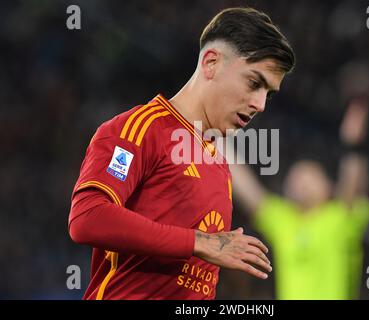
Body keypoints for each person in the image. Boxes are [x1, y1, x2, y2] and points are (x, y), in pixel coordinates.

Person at [68, 7, 295, 300]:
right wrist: (200, 242)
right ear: (211, 63)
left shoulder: (216, 162)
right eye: (254, 83)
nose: (261, 104)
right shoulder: (140, 129)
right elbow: (88, 217)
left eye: (269, 93)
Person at [229, 98, 369, 299]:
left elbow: (351, 187)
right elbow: (247, 188)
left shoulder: (339, 217)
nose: (300, 182)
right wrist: (213, 136)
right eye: (295, 177)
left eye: (310, 176)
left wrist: (352, 145)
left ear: (329, 188)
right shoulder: (283, 220)